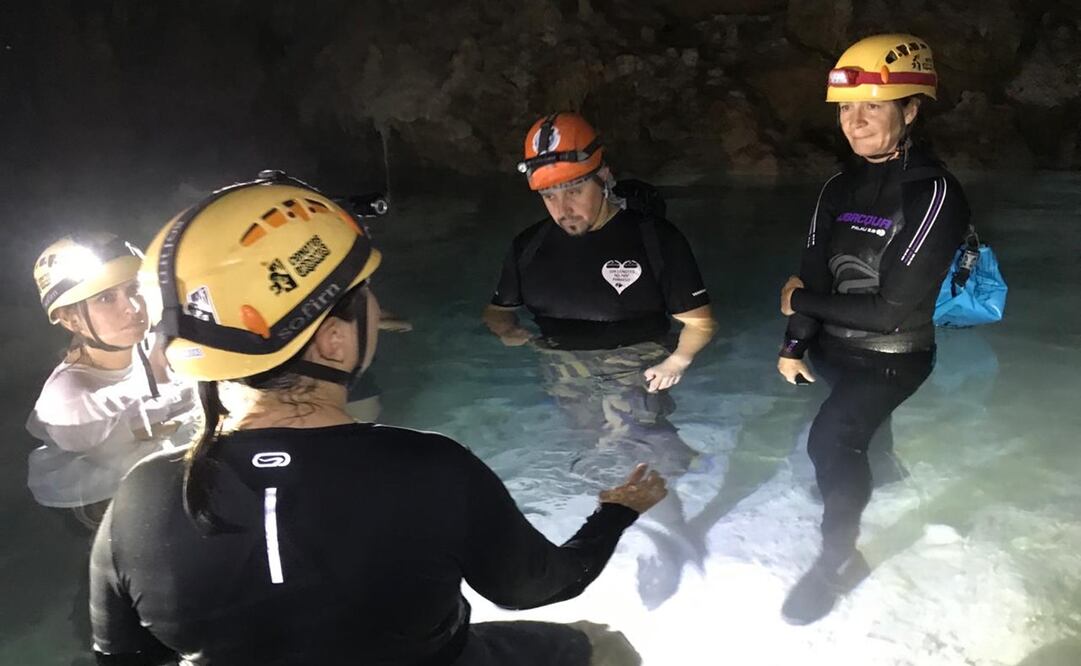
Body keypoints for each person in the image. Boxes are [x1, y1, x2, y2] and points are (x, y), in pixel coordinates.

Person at [89, 173, 667, 665]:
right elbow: (542, 585)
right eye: (363, 292)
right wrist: (614, 514)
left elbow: (121, 656)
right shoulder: (430, 470)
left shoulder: (141, 496)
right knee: (603, 646)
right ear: (335, 342)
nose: (375, 305)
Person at [775, 34, 970, 624]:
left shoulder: (934, 192)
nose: (855, 123)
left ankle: (837, 559)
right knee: (857, 437)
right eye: (845, 109)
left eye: (873, 108)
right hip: (835, 348)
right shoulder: (839, 187)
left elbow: (890, 310)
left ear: (910, 110)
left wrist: (798, 303)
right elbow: (812, 272)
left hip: (894, 353)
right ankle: (874, 472)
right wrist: (794, 342)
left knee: (829, 441)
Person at [483, 112, 716, 487]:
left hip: (636, 363)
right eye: (549, 195)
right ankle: (670, 473)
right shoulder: (528, 247)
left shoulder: (656, 239)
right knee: (595, 442)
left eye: (574, 190)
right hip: (562, 370)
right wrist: (506, 332)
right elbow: (497, 312)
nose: (563, 208)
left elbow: (700, 322)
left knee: (631, 438)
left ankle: (671, 515)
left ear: (603, 177)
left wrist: (679, 359)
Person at [27, 232, 198, 532]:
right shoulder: (68, 397)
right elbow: (136, 464)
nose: (132, 307)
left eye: (134, 288)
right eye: (106, 298)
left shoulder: (158, 344)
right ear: (71, 320)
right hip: (123, 514)